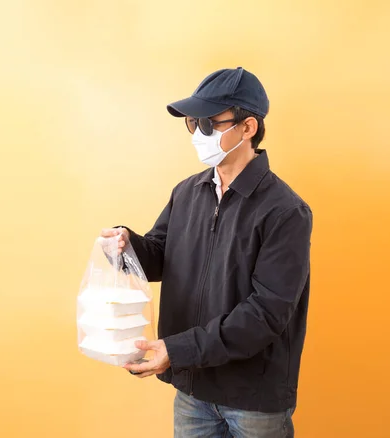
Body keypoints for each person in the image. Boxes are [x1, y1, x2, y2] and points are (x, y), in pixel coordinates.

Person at [101, 67, 312, 438]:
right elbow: (162, 254)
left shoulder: (285, 211)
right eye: (193, 124)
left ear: (248, 128)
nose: (199, 134)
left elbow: (267, 313)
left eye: (209, 124)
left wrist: (178, 349)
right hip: (193, 390)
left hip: (253, 397)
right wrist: (126, 244)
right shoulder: (188, 192)